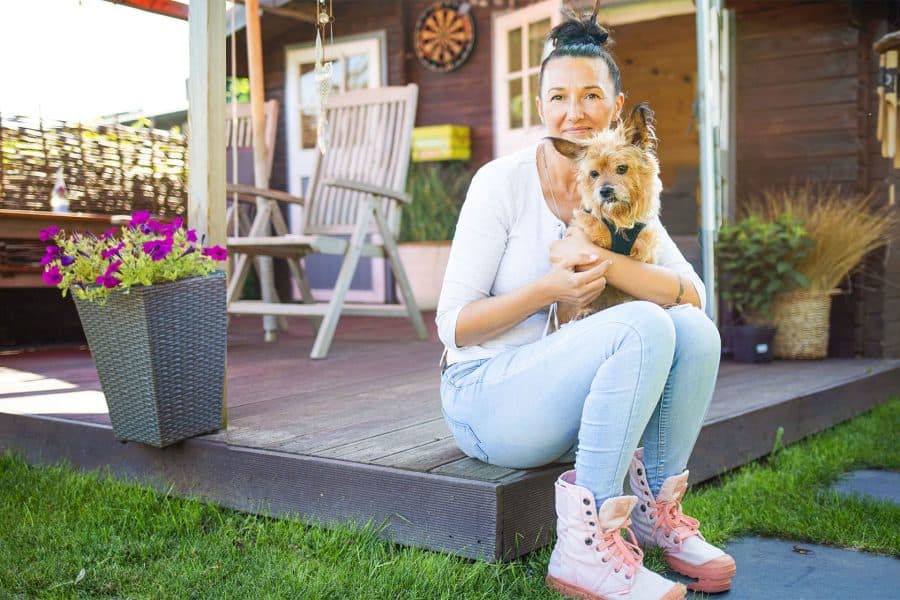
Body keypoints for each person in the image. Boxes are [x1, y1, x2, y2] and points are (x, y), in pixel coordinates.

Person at [435, 9, 735, 600]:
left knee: (693, 330)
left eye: (592, 95)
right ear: (541, 106)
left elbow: (693, 293)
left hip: (566, 401)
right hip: (485, 400)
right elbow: (455, 327)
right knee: (644, 323)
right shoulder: (500, 183)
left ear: (616, 107)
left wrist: (608, 263)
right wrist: (550, 288)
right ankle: (583, 550)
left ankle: (655, 515)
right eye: (559, 96)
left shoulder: (619, 182)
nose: (575, 111)